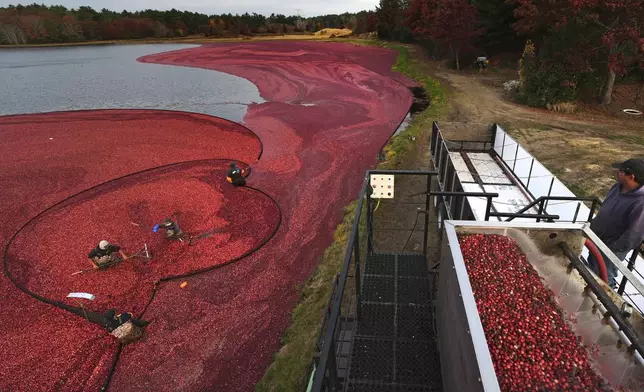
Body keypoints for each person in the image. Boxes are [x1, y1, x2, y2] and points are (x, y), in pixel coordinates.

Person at [588, 158, 644, 288]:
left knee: (604, 278)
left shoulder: (641, 203)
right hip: (595, 238)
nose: (618, 172)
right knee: (592, 268)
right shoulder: (617, 187)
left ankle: (606, 302)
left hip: (610, 250)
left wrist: (611, 250)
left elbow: (635, 234)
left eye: (621, 171)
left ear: (631, 177)